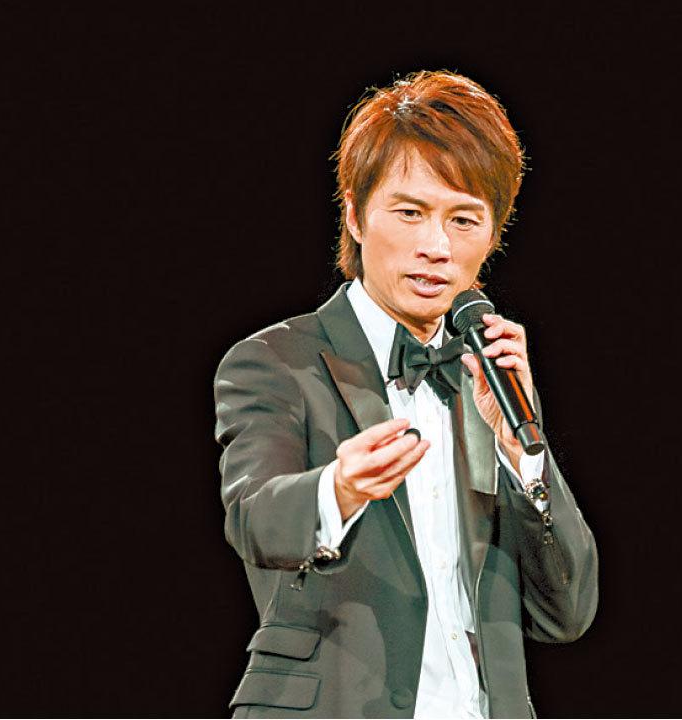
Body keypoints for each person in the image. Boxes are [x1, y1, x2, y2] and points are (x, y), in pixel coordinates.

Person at [213, 70, 598, 719]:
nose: (437, 247)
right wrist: (339, 487)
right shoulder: (277, 361)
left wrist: (523, 459)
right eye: (411, 213)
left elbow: (567, 612)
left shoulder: (488, 382)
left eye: (463, 220)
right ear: (355, 214)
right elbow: (255, 518)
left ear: (493, 235)